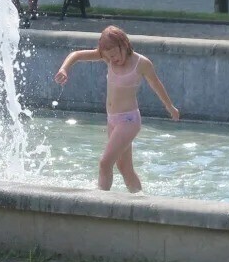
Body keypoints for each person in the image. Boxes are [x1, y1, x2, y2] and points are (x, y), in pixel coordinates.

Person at [54, 25, 179, 192]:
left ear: (124, 45)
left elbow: (156, 85)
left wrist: (169, 106)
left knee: (105, 163)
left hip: (129, 120)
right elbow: (76, 55)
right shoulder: (107, 57)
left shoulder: (141, 63)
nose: (112, 60)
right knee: (125, 169)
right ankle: (140, 200)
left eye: (114, 55)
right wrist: (64, 68)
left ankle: (100, 202)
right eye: (108, 57)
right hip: (112, 120)